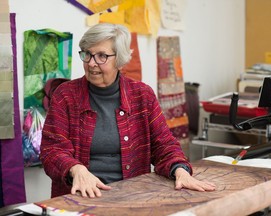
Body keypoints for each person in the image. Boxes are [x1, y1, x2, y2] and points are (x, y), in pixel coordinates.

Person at [40, 23, 216, 198]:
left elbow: (163, 145)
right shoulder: (66, 95)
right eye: (87, 54)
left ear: (120, 60)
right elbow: (52, 150)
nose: (91, 63)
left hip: (133, 196)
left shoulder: (142, 95)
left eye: (102, 56)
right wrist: (76, 169)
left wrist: (180, 170)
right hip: (80, 196)